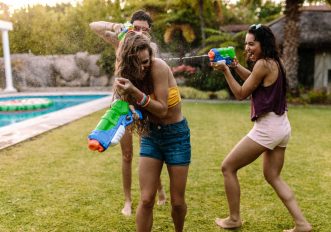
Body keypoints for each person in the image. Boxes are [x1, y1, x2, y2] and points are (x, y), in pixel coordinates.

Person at [211, 24, 312, 232]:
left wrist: (226, 71)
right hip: (282, 126)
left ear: (262, 43)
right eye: (246, 44)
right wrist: (236, 66)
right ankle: (302, 224)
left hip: (268, 128)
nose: (247, 48)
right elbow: (256, 80)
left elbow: (241, 93)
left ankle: (234, 219)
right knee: (272, 176)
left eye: (251, 44)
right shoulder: (274, 62)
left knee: (227, 167)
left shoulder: (262, 64)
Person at [89, 10, 166, 217]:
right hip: (122, 103)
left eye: (145, 30)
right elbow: (93, 25)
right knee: (127, 154)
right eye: (136, 28)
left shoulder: (152, 48)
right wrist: (116, 27)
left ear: (150, 33)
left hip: (142, 100)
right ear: (130, 28)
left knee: (150, 148)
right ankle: (127, 201)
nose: (141, 32)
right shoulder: (119, 42)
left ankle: (160, 190)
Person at [113, 32, 191, 232]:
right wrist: (128, 107)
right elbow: (129, 106)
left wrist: (135, 93)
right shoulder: (128, 75)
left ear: (150, 55)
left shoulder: (158, 67)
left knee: (177, 202)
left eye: (145, 61)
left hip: (176, 136)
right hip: (151, 136)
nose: (142, 67)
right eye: (137, 64)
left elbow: (163, 109)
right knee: (147, 199)